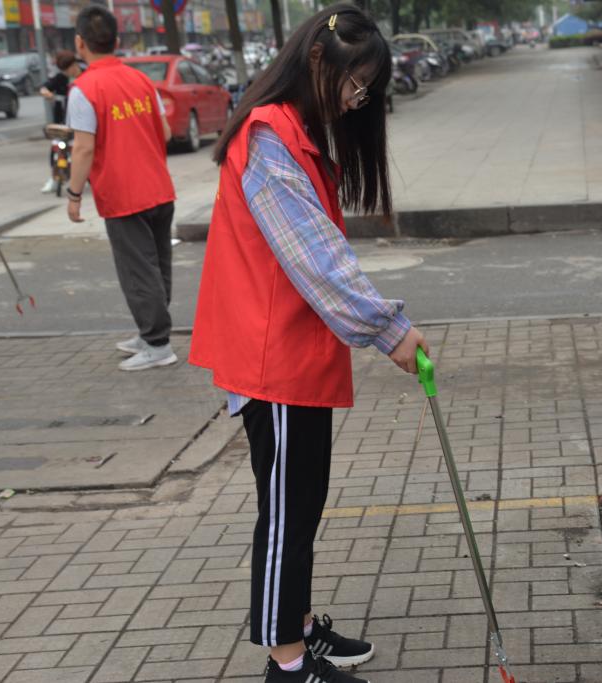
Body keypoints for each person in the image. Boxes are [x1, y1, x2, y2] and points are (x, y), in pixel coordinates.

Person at [189, 5, 428, 683]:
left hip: (293, 355)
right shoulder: (269, 137)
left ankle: (293, 626)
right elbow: (316, 258)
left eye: (368, 92)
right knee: (288, 512)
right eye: (357, 84)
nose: (358, 100)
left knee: (300, 503)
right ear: (319, 62)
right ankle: (286, 664)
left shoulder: (296, 131)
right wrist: (390, 329)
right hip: (273, 359)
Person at [65, 6, 179, 371]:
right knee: (157, 266)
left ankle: (158, 345)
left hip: (124, 195)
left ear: (80, 43)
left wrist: (73, 194)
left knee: (138, 272)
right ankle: (150, 334)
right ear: (116, 40)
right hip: (159, 188)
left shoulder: (83, 89)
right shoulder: (142, 80)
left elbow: (82, 148)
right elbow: (164, 132)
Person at [39, 49, 84, 193]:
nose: (68, 72)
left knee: (85, 149)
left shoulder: (86, 75)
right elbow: (46, 86)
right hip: (62, 122)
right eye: (64, 70)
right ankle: (54, 178)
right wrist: (46, 92)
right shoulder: (60, 78)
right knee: (56, 148)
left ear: (75, 64)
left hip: (82, 121)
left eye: (69, 68)